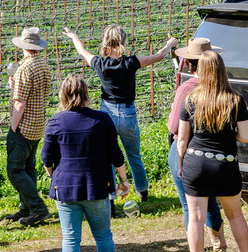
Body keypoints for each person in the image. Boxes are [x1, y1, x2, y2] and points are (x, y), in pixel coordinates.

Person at [64, 25, 176, 204]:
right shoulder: (131, 62)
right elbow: (159, 56)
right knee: (134, 155)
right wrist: (169, 44)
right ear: (123, 41)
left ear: (105, 42)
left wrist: (74, 37)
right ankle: (142, 191)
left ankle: (111, 193)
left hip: (106, 113)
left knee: (107, 155)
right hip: (127, 113)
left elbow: (82, 51)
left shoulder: (99, 63)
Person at [41, 75, 130, 252]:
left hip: (65, 188)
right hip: (96, 186)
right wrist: (124, 180)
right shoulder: (102, 120)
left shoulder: (55, 121)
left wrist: (55, 176)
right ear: (87, 94)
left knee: (70, 238)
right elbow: (115, 155)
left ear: (62, 95)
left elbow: (47, 159)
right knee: (103, 235)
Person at [177, 51, 248, 252]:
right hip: (226, 163)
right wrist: (227, 135)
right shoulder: (235, 100)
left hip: (196, 163)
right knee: (235, 214)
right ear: (222, 69)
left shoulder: (190, 98)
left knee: (196, 218)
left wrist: (181, 164)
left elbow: (182, 139)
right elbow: (246, 136)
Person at [167, 39, 228, 252]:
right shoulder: (224, 87)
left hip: (187, 149)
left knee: (189, 206)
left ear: (191, 64)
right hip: (215, 151)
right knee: (211, 200)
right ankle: (220, 248)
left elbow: (174, 126)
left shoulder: (187, 88)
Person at [4, 27, 52, 227]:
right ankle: (28, 208)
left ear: (23, 46)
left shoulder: (24, 68)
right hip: (38, 124)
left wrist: (13, 128)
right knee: (28, 168)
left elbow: (20, 103)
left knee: (15, 170)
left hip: (23, 126)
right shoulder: (43, 65)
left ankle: (38, 208)